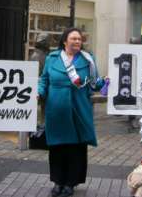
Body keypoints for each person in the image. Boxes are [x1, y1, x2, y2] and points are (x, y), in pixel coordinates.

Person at [38, 27, 105, 197]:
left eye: (79, 39)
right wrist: (39, 92)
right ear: (65, 41)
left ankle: (70, 183)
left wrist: (103, 82)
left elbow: (94, 83)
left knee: (76, 148)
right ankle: (58, 182)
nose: (77, 41)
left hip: (79, 108)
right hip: (56, 110)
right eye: (74, 38)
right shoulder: (52, 58)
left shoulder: (87, 59)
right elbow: (44, 79)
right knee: (57, 147)